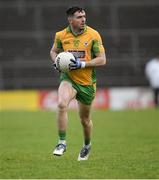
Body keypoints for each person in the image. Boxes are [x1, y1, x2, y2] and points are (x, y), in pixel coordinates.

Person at [50, 6, 106, 161]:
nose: (83, 19)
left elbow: (102, 59)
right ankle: (62, 143)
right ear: (70, 20)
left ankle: (87, 145)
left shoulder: (93, 35)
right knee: (61, 104)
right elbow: (53, 51)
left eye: (84, 16)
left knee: (85, 120)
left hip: (87, 83)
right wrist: (56, 62)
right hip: (69, 79)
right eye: (79, 17)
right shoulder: (61, 35)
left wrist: (82, 64)